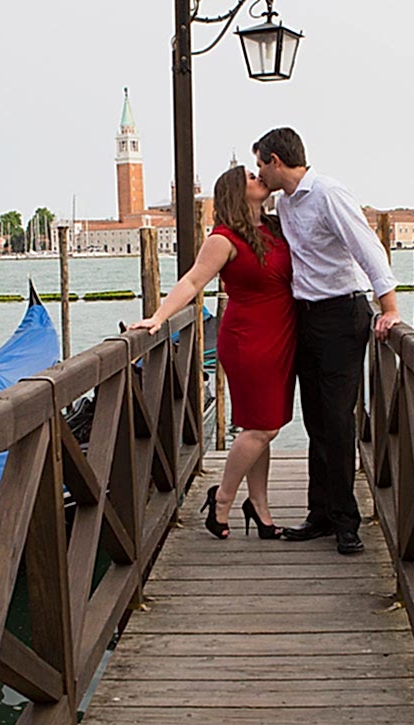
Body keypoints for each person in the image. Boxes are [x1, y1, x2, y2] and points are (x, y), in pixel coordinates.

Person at [252, 127, 400, 555]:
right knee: (315, 419)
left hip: (341, 314)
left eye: (262, 163)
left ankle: (345, 521)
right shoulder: (284, 203)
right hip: (305, 316)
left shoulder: (329, 194)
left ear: (276, 161)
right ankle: (320, 514)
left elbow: (368, 249)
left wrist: (389, 308)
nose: (260, 172)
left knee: (338, 420)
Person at [130, 165, 294, 540]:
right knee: (261, 426)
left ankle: (261, 509)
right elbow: (192, 280)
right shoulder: (223, 238)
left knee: (262, 428)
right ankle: (222, 499)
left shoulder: (273, 228)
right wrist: (157, 317)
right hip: (247, 339)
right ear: (237, 191)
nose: (259, 178)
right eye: (252, 177)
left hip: (281, 336)